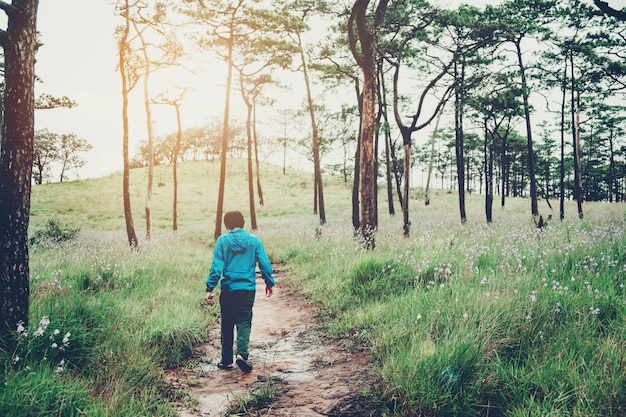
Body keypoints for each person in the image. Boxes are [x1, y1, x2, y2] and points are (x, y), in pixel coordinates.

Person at [204, 211, 275, 373]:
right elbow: (264, 263)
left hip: (228, 289)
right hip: (247, 289)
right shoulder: (254, 241)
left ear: (227, 225)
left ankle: (226, 360)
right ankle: (241, 355)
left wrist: (209, 289)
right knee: (244, 321)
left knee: (227, 323)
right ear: (243, 223)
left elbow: (216, 268)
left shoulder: (222, 241)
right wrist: (269, 282)